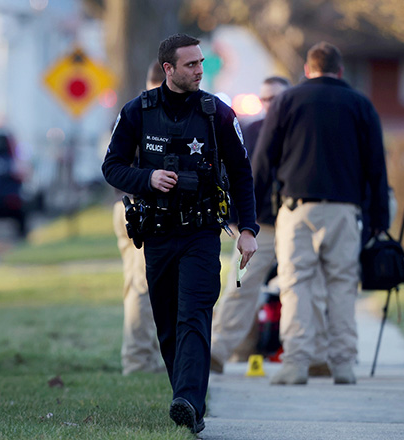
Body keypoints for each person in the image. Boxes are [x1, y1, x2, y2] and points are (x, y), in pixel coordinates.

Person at [102, 34, 258, 434]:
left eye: (201, 63)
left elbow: (242, 174)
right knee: (168, 324)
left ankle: (188, 398)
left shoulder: (217, 113)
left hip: (201, 232)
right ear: (168, 69)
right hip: (157, 232)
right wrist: (148, 178)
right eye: (191, 64)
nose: (199, 71)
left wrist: (248, 228)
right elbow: (112, 167)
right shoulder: (138, 111)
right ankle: (189, 404)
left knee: (194, 314)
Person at [252, 42, 389, 385]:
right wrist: (379, 220)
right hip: (345, 210)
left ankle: (296, 363)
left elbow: (264, 159)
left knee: (295, 284)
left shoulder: (287, 101)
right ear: (340, 71)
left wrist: (249, 208)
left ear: (307, 70)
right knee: (342, 286)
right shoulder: (360, 104)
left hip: (297, 208)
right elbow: (376, 167)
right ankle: (342, 364)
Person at [210, 76, 290, 372]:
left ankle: (310, 353)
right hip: (260, 225)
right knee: (240, 285)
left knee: (302, 288)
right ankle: (218, 351)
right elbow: (236, 175)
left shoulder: (300, 130)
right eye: (265, 98)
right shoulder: (251, 130)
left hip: (294, 221)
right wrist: (237, 220)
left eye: (276, 98)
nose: (270, 104)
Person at [113, 60, 165, 375]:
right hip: (138, 209)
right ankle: (138, 359)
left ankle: (147, 356)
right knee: (142, 286)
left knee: (139, 284)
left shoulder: (130, 111)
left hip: (125, 206)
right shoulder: (145, 114)